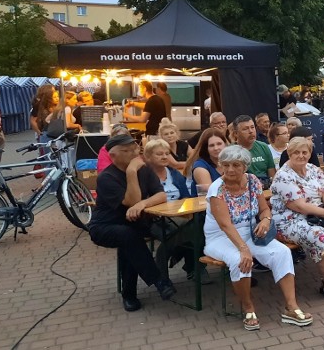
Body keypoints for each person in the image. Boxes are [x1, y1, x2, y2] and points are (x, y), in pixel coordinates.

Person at [204, 145, 313, 330]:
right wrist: (244, 249)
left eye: (236, 165)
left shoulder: (253, 181)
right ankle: (248, 308)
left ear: (245, 166)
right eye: (226, 165)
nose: (230, 169)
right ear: (221, 166)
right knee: (240, 260)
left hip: (249, 232)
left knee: (283, 252)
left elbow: (264, 209)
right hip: (221, 237)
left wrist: (265, 220)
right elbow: (225, 225)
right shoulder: (217, 189)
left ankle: (291, 307)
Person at [87, 134, 174, 312]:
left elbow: (161, 194)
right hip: (105, 226)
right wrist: (131, 172)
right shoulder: (106, 177)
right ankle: (158, 280)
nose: (133, 154)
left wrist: (143, 204)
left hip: (135, 224)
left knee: (130, 240)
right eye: (126, 151)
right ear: (113, 156)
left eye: (134, 149)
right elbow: (132, 200)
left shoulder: (145, 170)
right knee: (127, 236)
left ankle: (130, 294)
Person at [271, 137, 324, 302]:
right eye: (296, 152)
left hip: (317, 216)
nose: (301, 156)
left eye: (305, 152)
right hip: (290, 221)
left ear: (310, 153)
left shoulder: (314, 169)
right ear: (289, 153)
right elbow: (300, 207)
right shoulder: (283, 176)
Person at [142, 139, 206, 281]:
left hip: (178, 216)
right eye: (159, 154)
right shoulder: (143, 176)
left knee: (200, 227)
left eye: (166, 153)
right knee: (191, 232)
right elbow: (142, 201)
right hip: (154, 219)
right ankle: (190, 267)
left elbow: (186, 198)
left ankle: (180, 265)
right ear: (148, 157)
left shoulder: (175, 174)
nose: (165, 157)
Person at [232, 115, 275, 185]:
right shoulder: (230, 151)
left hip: (266, 187)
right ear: (236, 133)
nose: (251, 131)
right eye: (245, 129)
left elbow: (272, 175)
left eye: (252, 127)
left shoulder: (264, 147)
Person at [183, 128, 227, 196]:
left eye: (219, 144)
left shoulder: (230, 162)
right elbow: (212, 193)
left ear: (225, 144)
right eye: (211, 145)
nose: (216, 148)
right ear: (206, 148)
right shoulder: (200, 167)